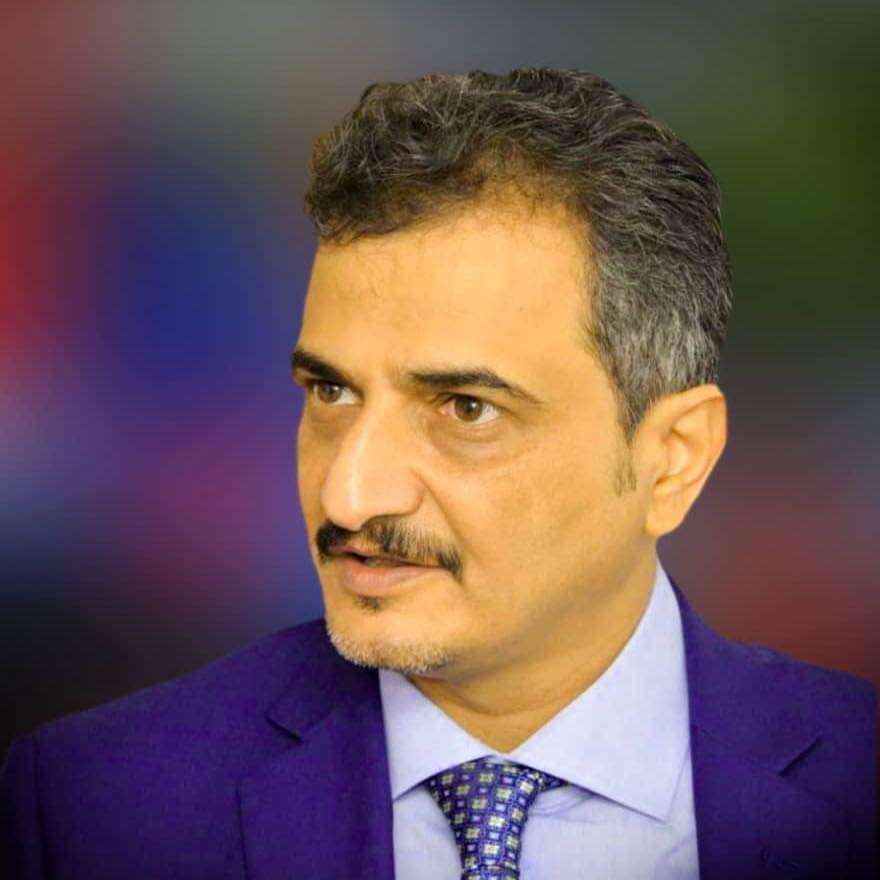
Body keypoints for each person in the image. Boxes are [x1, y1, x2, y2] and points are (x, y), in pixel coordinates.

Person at [2, 67, 875, 880]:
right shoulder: (95, 805)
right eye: (332, 392)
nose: (350, 496)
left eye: (465, 408)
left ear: (673, 458)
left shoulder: (857, 779)